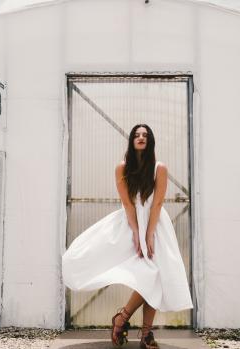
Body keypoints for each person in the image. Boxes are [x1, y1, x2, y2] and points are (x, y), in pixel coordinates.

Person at [62, 124, 193, 349]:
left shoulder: (159, 168)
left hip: (156, 224)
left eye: (145, 135)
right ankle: (133, 326)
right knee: (150, 276)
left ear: (150, 141)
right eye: (136, 135)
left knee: (156, 276)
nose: (141, 138)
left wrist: (149, 234)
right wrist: (136, 233)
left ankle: (136, 328)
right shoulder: (121, 168)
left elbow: (158, 203)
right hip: (131, 222)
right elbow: (127, 203)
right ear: (131, 141)